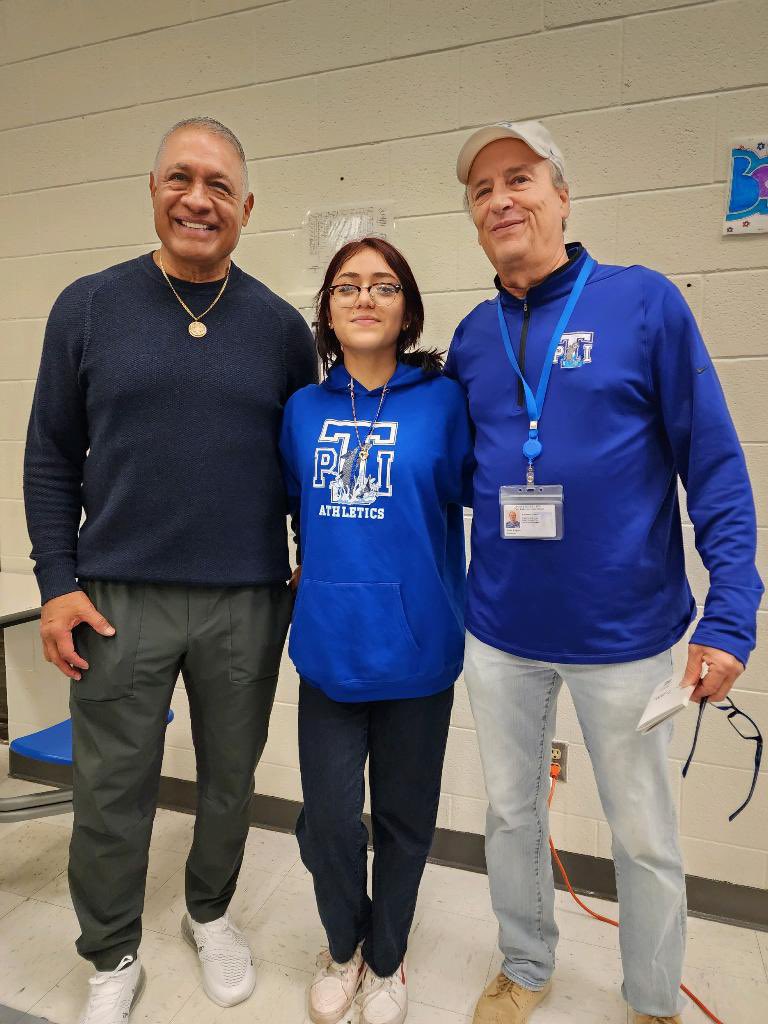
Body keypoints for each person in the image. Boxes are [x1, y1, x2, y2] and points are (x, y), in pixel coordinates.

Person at [445, 121, 763, 1024]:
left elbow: (714, 465)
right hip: (501, 632)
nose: (500, 200)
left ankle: (653, 999)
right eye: (481, 190)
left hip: (625, 635)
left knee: (645, 835)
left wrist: (730, 615)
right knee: (511, 817)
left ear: (561, 195)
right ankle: (525, 962)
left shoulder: (643, 303)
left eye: (519, 178)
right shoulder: (472, 336)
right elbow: (458, 474)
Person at [23, 117, 316, 1024]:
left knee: (230, 779)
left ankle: (210, 913)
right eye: (181, 179)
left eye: (219, 185)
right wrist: (57, 584)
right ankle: (111, 952)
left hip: (246, 600)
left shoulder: (280, 330)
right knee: (111, 789)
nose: (199, 199)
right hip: (117, 598)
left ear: (247, 207)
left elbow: (303, 470)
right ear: (152, 190)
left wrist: (312, 576)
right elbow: (49, 456)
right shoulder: (88, 307)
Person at [279, 237, 474, 1024]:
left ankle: (387, 959)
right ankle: (343, 943)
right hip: (330, 650)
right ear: (327, 312)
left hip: (419, 651)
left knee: (403, 822)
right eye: (347, 286)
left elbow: (477, 496)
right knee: (328, 821)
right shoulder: (303, 411)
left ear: (407, 311)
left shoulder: (445, 402)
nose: (365, 297)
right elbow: (299, 509)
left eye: (384, 286)